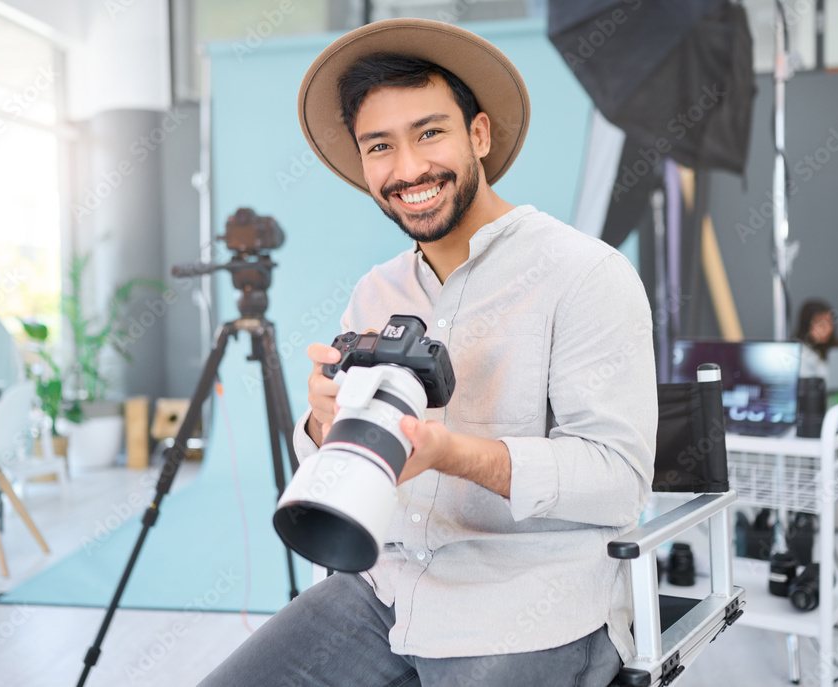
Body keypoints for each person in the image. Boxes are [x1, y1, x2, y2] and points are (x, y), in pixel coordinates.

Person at [200, 18, 656, 687]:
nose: (408, 169)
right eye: (379, 145)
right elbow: (338, 464)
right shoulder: (374, 291)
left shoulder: (584, 273)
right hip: (386, 587)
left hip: (531, 601)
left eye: (429, 133)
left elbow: (619, 479)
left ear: (478, 135)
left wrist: (452, 453)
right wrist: (324, 425)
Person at [794, 299, 838, 379]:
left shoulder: (835, 348)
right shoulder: (798, 352)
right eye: (820, 324)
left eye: (829, 322)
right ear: (806, 325)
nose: (827, 329)